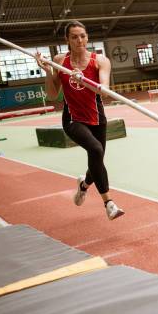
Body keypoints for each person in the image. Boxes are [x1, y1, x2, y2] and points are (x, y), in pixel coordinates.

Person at [36, 21, 124, 220]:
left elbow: (104, 91)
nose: (79, 40)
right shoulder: (60, 60)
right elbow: (51, 94)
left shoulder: (100, 60)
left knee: (97, 159)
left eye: (82, 36)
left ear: (87, 37)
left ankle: (83, 185)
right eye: (74, 37)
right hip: (73, 118)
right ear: (67, 40)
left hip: (97, 117)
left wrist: (83, 79)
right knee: (95, 150)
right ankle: (109, 203)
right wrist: (48, 72)